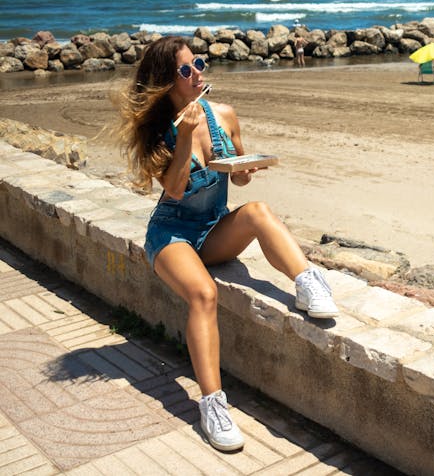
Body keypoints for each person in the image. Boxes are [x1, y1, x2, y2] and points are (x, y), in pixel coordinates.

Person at [116, 36, 339, 452]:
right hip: (172, 234)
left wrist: (244, 171)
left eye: (198, 63)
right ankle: (212, 404)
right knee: (203, 294)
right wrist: (184, 137)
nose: (198, 72)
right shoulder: (158, 132)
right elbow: (177, 191)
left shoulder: (225, 114)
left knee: (257, 210)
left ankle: (309, 281)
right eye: (186, 70)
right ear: (167, 81)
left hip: (213, 229)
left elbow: (238, 175)